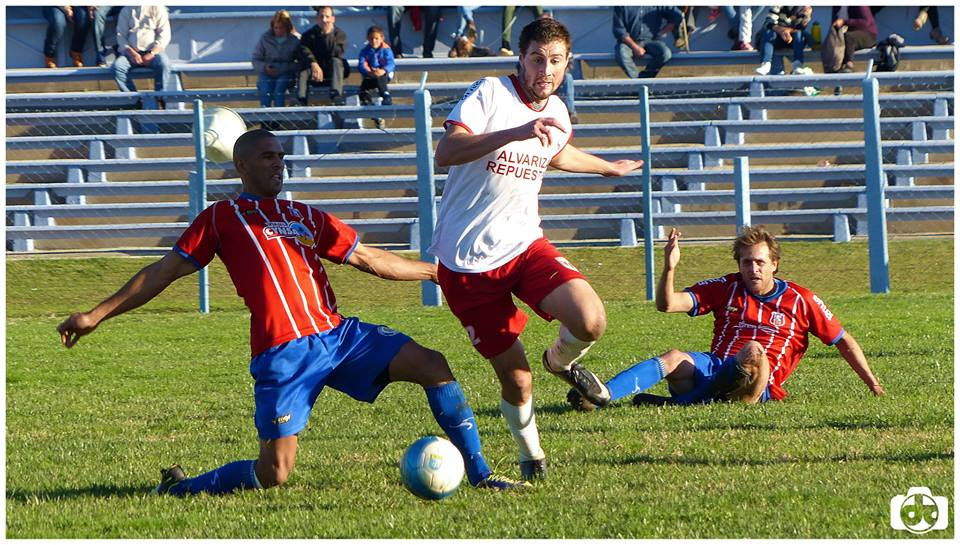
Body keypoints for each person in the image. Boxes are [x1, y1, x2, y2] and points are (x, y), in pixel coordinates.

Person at [56, 129, 528, 496]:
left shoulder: (306, 215)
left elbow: (369, 258)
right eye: (267, 156)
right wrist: (96, 314)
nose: (278, 163)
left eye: (282, 156)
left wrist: (435, 272)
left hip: (337, 336)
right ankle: (182, 487)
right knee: (274, 473)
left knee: (434, 365)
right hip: (283, 353)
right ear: (242, 165)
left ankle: (481, 474)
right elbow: (162, 272)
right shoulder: (220, 218)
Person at [430, 17, 644, 481]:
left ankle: (560, 361)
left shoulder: (559, 110)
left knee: (590, 319)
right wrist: (516, 132)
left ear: (567, 63)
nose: (545, 69)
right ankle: (532, 458)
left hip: (525, 244)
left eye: (555, 60)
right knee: (517, 379)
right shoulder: (490, 92)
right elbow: (447, 152)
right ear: (520, 58)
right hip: (466, 264)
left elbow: (557, 151)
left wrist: (606, 168)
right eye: (536, 59)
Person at [567, 226, 886, 411]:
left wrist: (873, 384)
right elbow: (668, 305)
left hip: (759, 383)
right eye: (747, 262)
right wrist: (670, 267)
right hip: (714, 368)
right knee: (674, 358)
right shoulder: (726, 287)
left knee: (753, 351)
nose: (753, 268)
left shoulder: (801, 300)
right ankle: (600, 395)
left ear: (774, 264)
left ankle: (681, 405)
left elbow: (843, 341)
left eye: (760, 262)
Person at [112, 5, 171, 99]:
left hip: (153, 53)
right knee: (118, 67)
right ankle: (133, 99)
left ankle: (160, 97)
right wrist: (132, 53)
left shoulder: (158, 8)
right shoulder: (126, 10)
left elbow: (164, 35)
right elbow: (120, 36)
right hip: (131, 53)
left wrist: (152, 53)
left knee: (164, 63)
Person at [296, 6, 348, 106]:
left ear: (333, 19)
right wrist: (313, 63)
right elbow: (303, 50)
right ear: (317, 18)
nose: (324, 20)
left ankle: (336, 95)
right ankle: (301, 99)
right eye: (321, 16)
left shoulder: (340, 35)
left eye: (327, 17)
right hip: (315, 74)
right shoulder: (308, 35)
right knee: (303, 68)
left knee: (336, 61)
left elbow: (335, 53)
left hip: (332, 73)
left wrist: (327, 34)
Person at [613, 6, 682, 79]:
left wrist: (663, 32)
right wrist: (635, 47)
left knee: (666, 53)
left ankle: (644, 79)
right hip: (629, 43)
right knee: (621, 53)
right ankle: (638, 81)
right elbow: (619, 30)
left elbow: (677, 16)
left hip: (652, 41)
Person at [252, 10, 301, 108]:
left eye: (281, 28)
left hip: (286, 74)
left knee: (279, 89)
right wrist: (265, 67)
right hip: (267, 73)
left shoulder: (295, 40)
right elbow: (256, 59)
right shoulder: (265, 38)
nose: (278, 30)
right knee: (265, 90)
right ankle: (265, 118)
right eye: (276, 28)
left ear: (287, 27)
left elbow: (300, 62)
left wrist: (282, 68)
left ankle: (278, 118)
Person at [755, 6, 813, 76]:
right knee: (768, 32)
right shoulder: (777, 6)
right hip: (775, 40)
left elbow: (800, 27)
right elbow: (768, 23)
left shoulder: (802, 8)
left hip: (792, 40)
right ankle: (766, 64)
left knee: (800, 34)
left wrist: (806, 17)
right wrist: (781, 30)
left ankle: (797, 65)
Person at [358, 25, 396, 129]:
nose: (374, 41)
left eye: (376, 38)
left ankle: (386, 95)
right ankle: (366, 100)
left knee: (381, 78)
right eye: (371, 38)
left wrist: (383, 70)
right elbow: (362, 64)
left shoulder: (386, 50)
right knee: (364, 84)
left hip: (385, 74)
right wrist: (369, 72)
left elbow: (391, 63)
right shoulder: (365, 51)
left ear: (382, 38)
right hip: (371, 75)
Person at [830, 6, 877, 73]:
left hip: (868, 35)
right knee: (833, 41)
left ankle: (849, 64)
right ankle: (833, 67)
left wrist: (845, 22)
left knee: (849, 37)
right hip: (846, 37)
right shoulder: (836, 7)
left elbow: (866, 22)